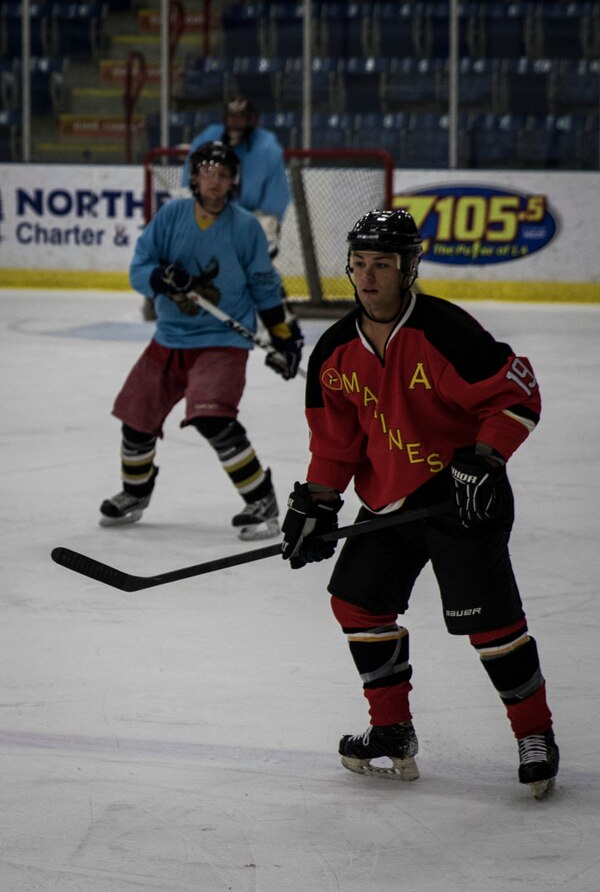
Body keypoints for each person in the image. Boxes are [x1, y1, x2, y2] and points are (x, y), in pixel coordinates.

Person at [279, 209, 559, 799]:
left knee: (491, 625)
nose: (367, 276)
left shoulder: (446, 331)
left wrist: (485, 458)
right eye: (359, 263)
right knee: (357, 603)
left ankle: (535, 734)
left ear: (409, 268)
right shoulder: (333, 351)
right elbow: (334, 443)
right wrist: (318, 504)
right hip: (388, 499)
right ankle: (391, 731)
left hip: (461, 494)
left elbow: (517, 395)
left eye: (382, 264)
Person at [99, 140, 303, 541]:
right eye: (207, 173)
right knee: (136, 419)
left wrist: (283, 335)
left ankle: (261, 500)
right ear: (194, 178)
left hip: (221, 341)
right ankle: (135, 493)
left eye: (223, 175)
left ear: (232, 182)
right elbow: (139, 267)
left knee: (213, 417)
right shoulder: (171, 216)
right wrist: (159, 278)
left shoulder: (245, 227)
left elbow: (264, 285)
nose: (215, 181)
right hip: (170, 338)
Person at [182, 96, 291, 260]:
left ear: (252, 120)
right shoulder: (208, 138)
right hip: (212, 211)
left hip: (252, 216)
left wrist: (267, 218)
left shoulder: (267, 147)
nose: (235, 124)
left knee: (265, 230)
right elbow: (190, 177)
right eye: (231, 118)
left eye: (240, 119)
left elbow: (277, 192)